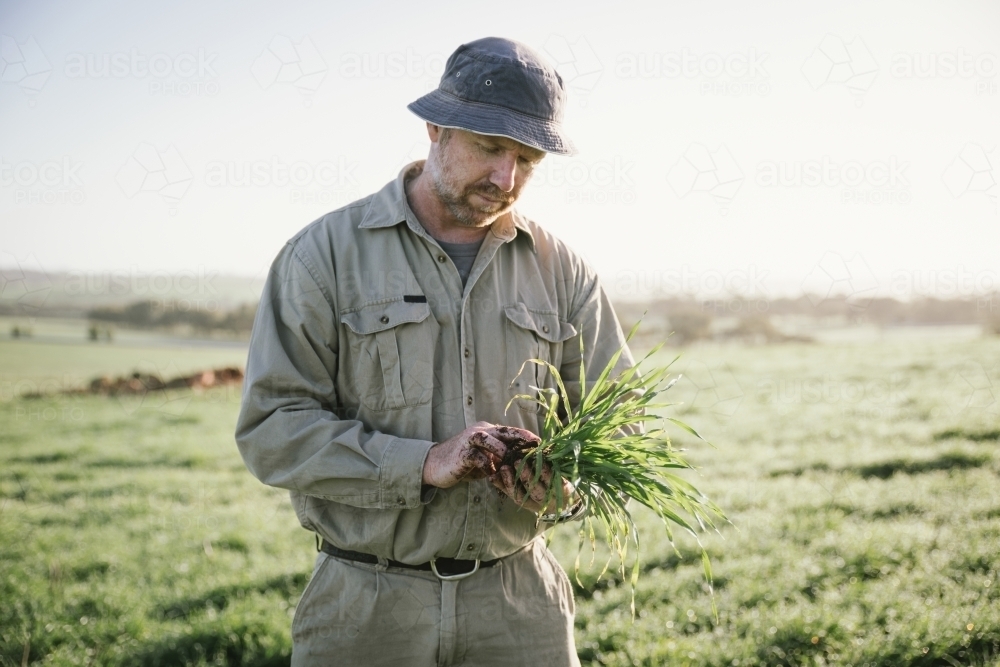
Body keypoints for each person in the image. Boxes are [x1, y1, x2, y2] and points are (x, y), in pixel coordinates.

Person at [235, 36, 635, 666]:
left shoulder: (565, 272)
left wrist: (564, 484)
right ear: (436, 126)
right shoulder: (322, 257)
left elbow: (623, 425)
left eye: (527, 158)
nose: (506, 178)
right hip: (366, 610)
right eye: (490, 148)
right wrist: (422, 463)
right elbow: (272, 431)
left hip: (521, 605)